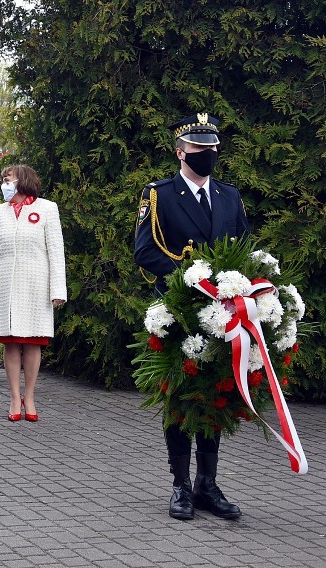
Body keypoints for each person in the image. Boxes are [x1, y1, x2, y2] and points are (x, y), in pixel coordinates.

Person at [134, 113, 249, 520]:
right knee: (181, 398)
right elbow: (145, 252)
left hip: (221, 315)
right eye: (201, 149)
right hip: (180, 311)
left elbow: (243, 253)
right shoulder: (159, 195)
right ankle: (180, 485)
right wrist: (193, 279)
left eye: (213, 148)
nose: (208, 155)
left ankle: (207, 484)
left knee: (214, 397)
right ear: (180, 152)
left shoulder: (229, 197)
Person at [0, 165, 66, 422]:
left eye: (8, 179)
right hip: (5, 287)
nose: (4, 183)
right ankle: (13, 397)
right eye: (3, 180)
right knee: (10, 342)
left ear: (23, 180)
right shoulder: (3, 212)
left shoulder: (46, 208)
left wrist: (58, 289)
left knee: (32, 342)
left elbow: (55, 251)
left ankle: (29, 397)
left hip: (35, 287)